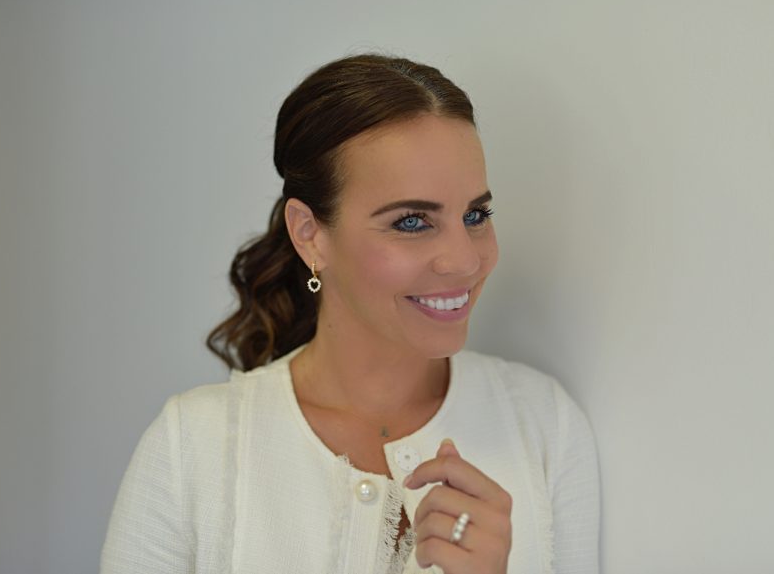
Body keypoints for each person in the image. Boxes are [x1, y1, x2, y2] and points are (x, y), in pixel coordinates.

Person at [101, 54, 600, 574]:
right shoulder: (190, 448)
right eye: (412, 221)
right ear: (310, 234)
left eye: (476, 214)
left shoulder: (543, 426)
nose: (466, 260)